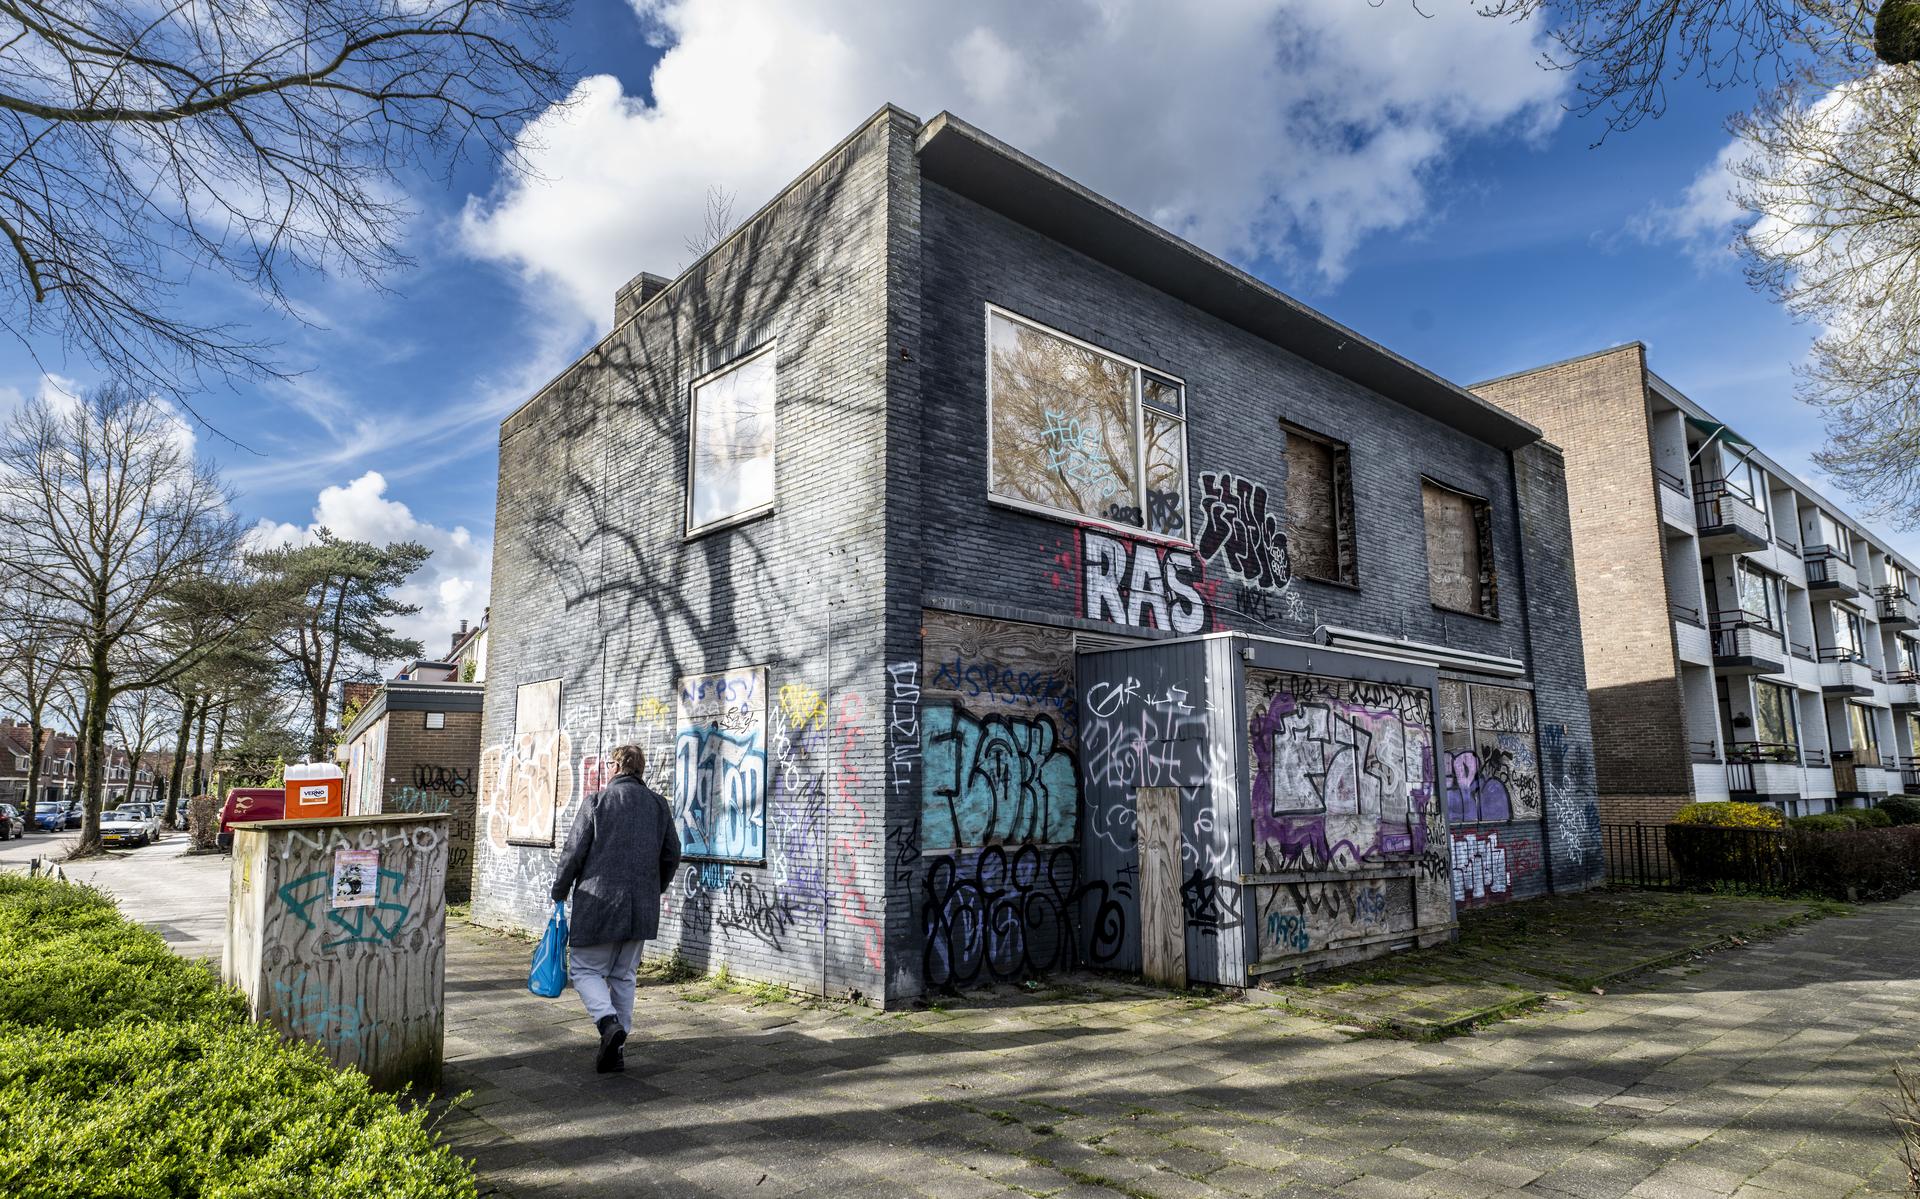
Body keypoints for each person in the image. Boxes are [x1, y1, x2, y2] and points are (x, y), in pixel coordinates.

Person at [550, 744, 681, 1073]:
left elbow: (574, 851)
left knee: (584, 969)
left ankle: (608, 1025)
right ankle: (616, 1050)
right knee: (624, 976)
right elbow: (672, 854)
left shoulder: (596, 801)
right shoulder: (658, 806)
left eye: (609, 764)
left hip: (599, 904)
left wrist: (560, 889)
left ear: (616, 767)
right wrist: (656, 888)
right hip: (641, 907)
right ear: (640, 769)